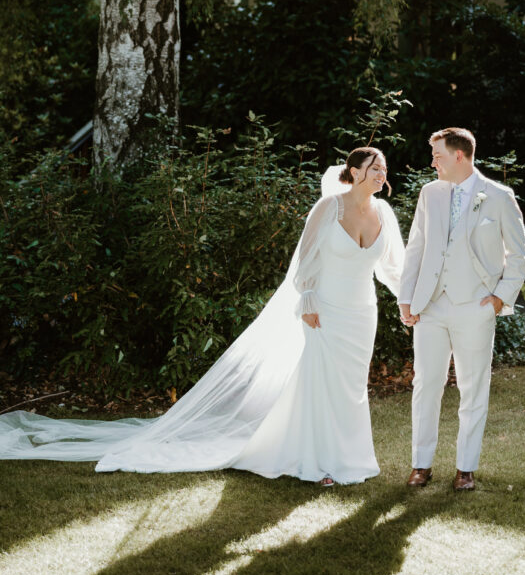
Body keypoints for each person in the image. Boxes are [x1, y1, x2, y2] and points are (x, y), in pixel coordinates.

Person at [0, 147, 405, 484]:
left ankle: (353, 459)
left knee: (351, 387)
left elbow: (392, 267)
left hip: (361, 314)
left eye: (383, 168)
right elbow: (302, 264)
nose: (381, 173)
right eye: (374, 167)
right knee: (322, 384)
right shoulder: (328, 207)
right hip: (325, 311)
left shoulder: (384, 213)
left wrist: (409, 301)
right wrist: (309, 301)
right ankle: (319, 464)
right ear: (353, 172)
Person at [398, 127, 525, 492]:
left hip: (475, 306)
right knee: (425, 384)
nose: (433, 162)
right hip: (432, 306)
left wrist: (500, 297)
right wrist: (406, 297)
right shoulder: (430, 194)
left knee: (473, 387)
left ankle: (465, 468)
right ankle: (421, 465)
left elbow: (518, 255)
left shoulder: (499, 197)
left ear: (459, 155)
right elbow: (417, 246)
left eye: (438, 155)